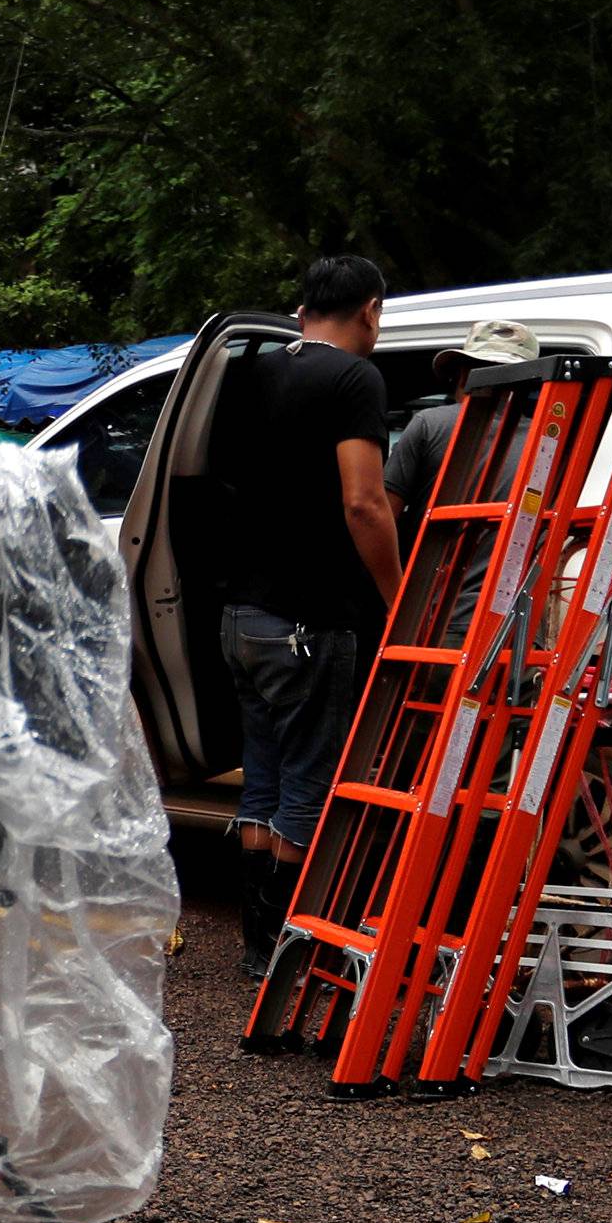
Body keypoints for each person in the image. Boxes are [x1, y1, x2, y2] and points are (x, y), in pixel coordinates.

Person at [224, 253, 401, 978]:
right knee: (306, 782)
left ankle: (258, 945)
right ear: (369, 310)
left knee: (260, 782)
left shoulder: (253, 371)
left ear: (304, 310)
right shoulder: (355, 379)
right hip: (308, 621)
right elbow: (363, 501)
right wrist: (397, 596)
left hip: (242, 617)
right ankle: (293, 952)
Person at [384, 319, 540, 624]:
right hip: (515, 625)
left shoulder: (429, 424)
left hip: (431, 622)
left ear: (463, 374)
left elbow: (379, 518)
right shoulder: (551, 442)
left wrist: (393, 598)